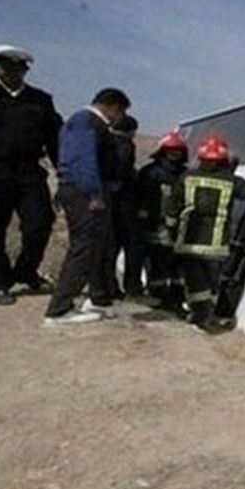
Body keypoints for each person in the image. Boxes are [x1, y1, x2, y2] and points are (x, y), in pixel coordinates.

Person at [165, 134, 245, 330]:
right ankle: (202, 318)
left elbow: (171, 208)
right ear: (223, 159)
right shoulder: (231, 181)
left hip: (188, 243)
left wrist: (171, 229)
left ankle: (198, 317)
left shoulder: (186, 178)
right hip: (215, 245)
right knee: (210, 287)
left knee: (196, 285)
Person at [43, 88, 132, 326]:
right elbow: (83, 159)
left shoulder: (91, 123)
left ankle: (99, 299)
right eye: (120, 112)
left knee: (102, 245)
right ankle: (59, 309)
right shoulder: (86, 121)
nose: (119, 118)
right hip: (84, 192)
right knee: (85, 247)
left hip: (92, 190)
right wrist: (93, 192)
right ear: (111, 106)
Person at [0, 44, 63, 305]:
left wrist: (63, 173)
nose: (11, 72)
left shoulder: (40, 100)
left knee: (40, 223)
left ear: (24, 70)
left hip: (29, 170)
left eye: (17, 68)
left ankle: (25, 270)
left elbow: (55, 140)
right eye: (5, 67)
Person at [134, 130, 188, 307]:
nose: (175, 154)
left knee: (177, 265)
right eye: (171, 150)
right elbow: (141, 198)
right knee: (157, 262)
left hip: (181, 227)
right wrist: (146, 220)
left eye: (178, 150)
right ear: (163, 151)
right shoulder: (150, 172)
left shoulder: (186, 174)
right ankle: (157, 295)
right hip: (155, 226)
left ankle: (176, 298)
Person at [104, 113, 141, 297]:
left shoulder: (103, 141)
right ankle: (132, 287)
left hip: (108, 203)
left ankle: (110, 287)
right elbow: (123, 169)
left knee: (110, 248)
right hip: (124, 203)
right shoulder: (125, 145)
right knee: (133, 247)